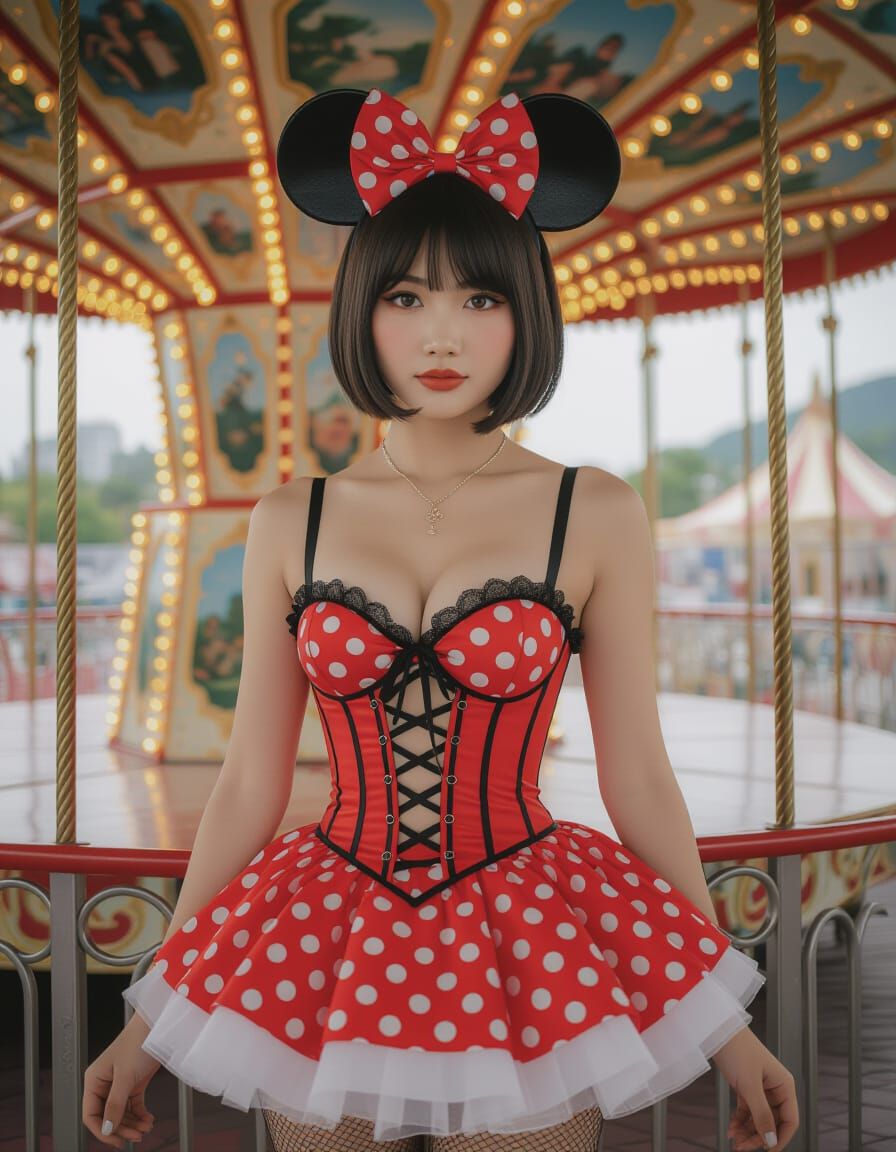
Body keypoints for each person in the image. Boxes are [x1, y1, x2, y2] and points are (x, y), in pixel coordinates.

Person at [82, 88, 800, 1151]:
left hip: (528, 935)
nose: (442, 334)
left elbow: (639, 778)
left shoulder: (593, 510)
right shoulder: (290, 517)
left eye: (480, 298)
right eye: (407, 296)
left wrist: (721, 1021)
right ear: (362, 310)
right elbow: (246, 785)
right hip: (324, 932)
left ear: (526, 312)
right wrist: (152, 1012)